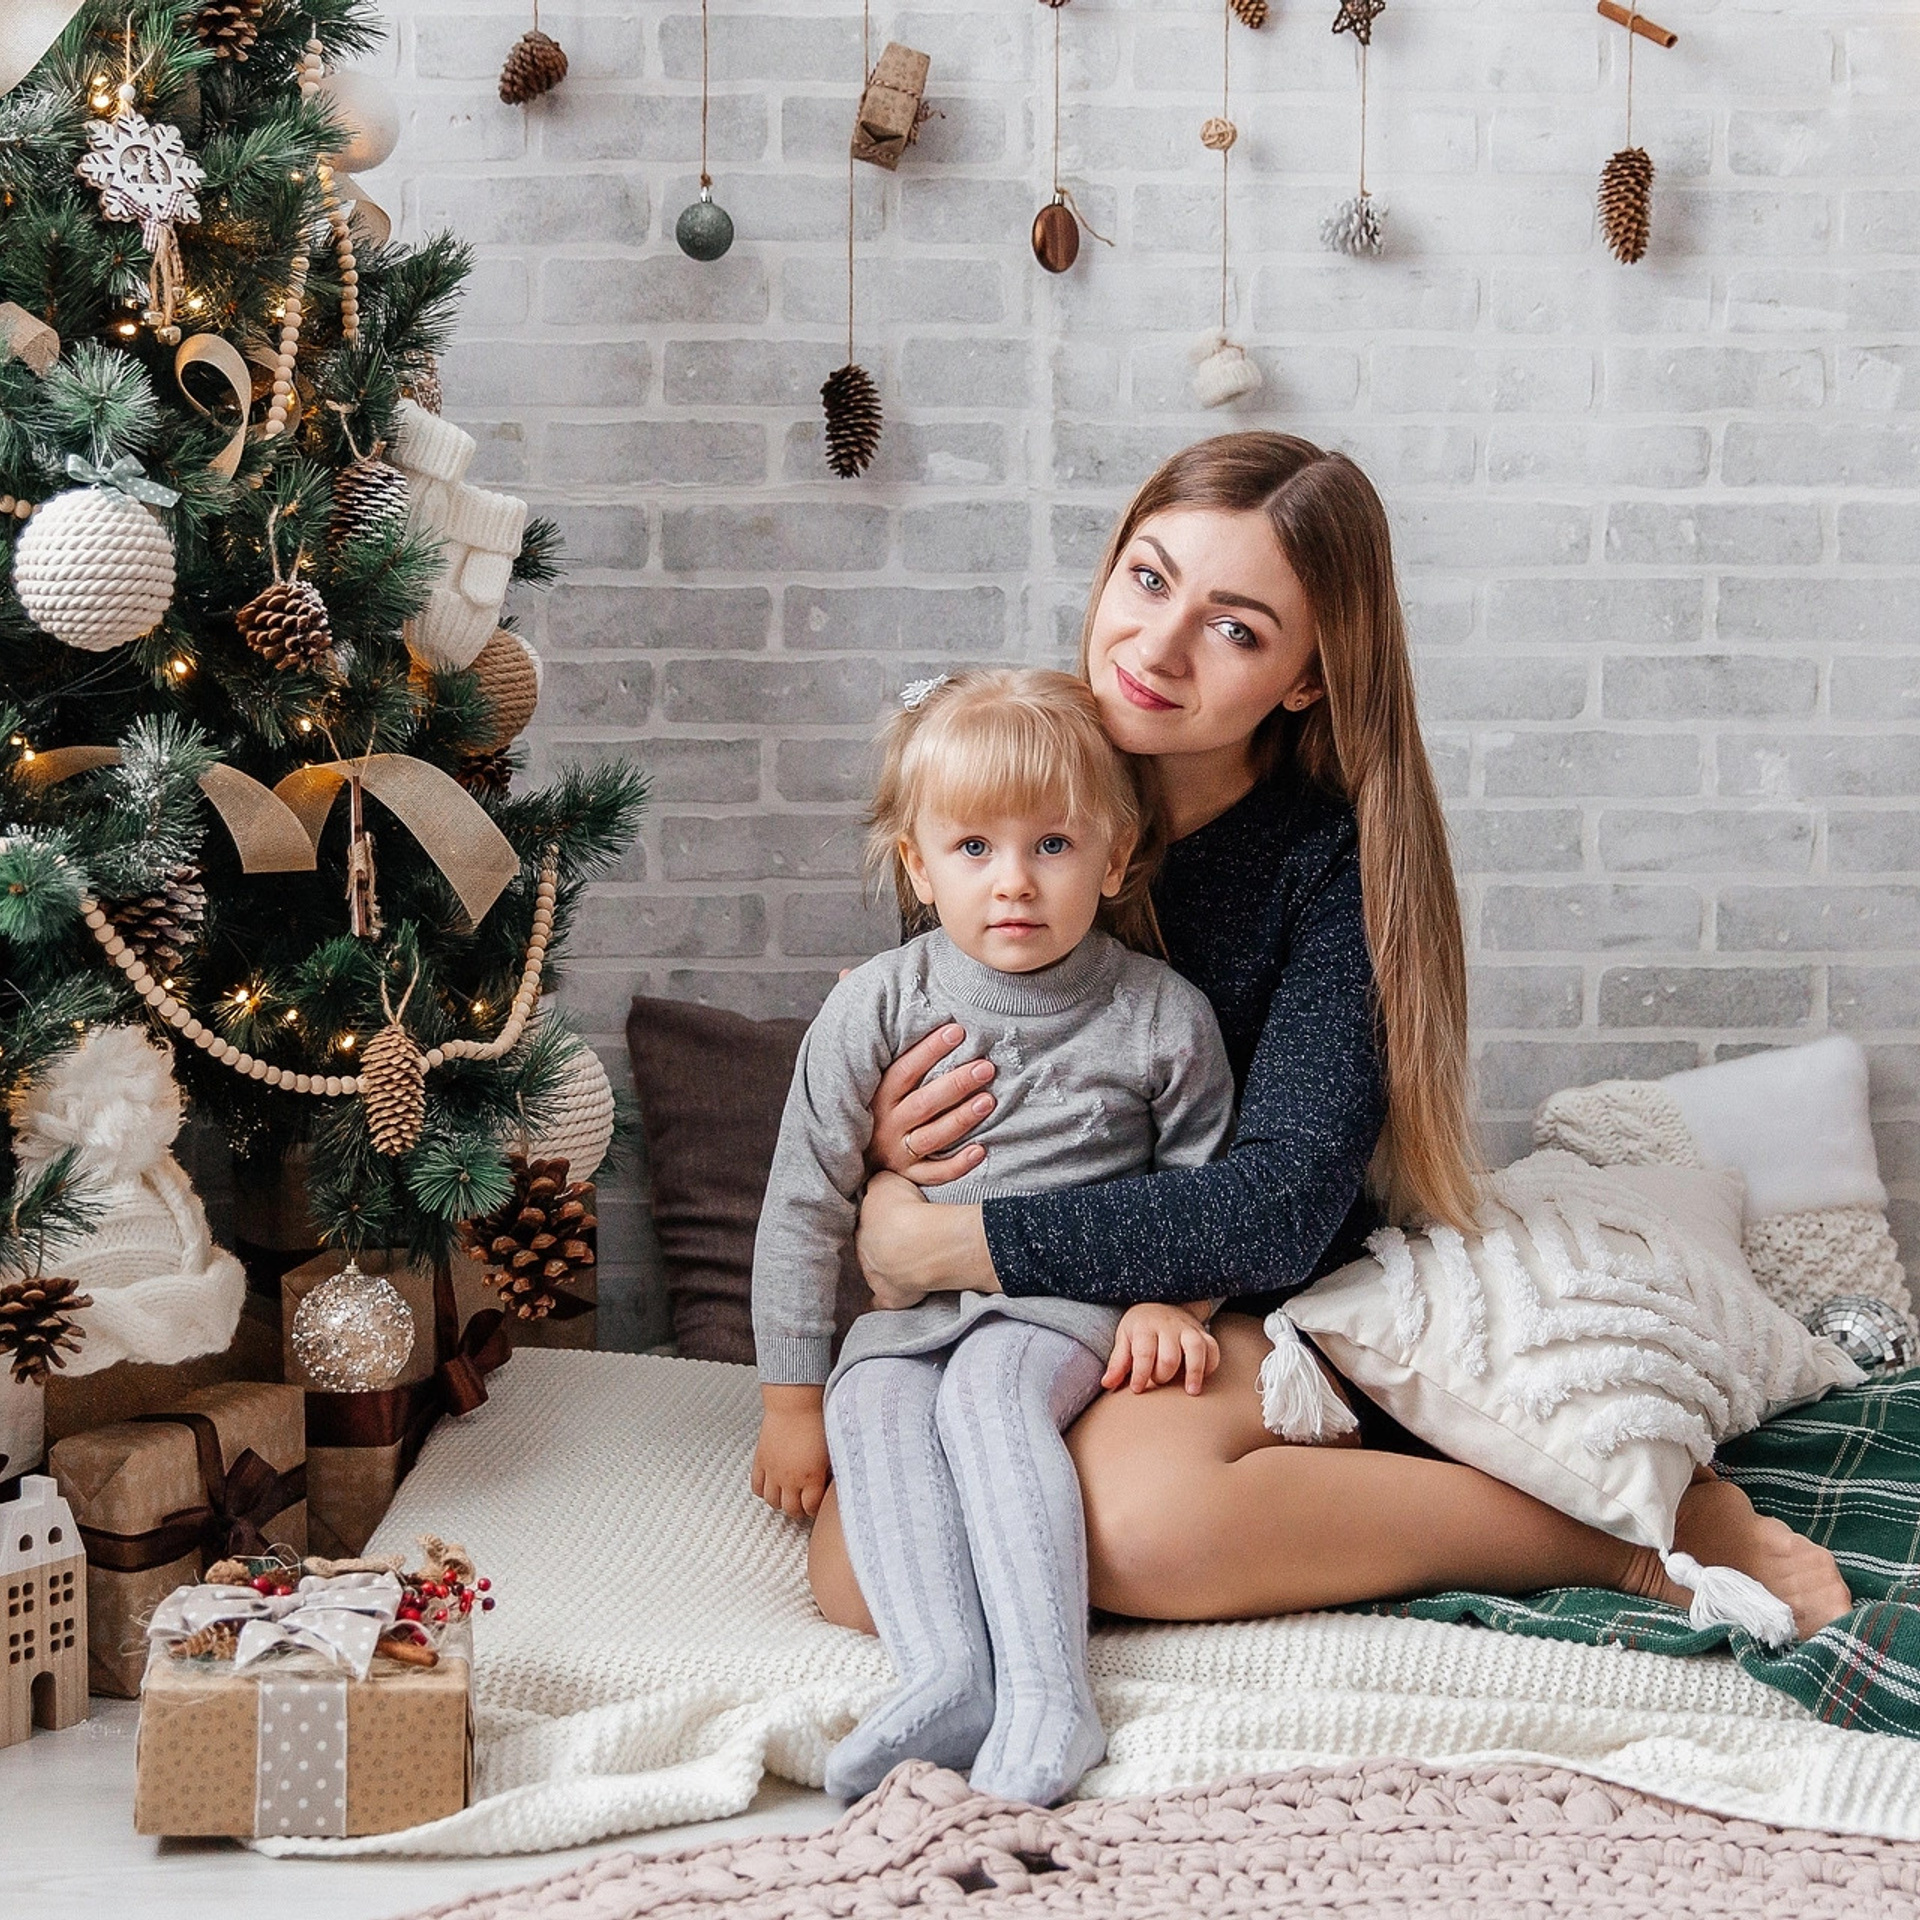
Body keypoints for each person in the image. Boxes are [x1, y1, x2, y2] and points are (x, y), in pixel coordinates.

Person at [808, 431, 1853, 1646]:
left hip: (1253, 1293)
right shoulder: (999, 780)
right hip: (1029, 1298)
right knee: (866, 1572)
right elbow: (917, 1047)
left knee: (1136, 1527)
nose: (1155, 644)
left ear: (1307, 676)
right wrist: (889, 1144)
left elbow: (1278, 1207)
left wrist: (956, 1240)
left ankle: (1619, 1542)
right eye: (1148, 580)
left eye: (1235, 627)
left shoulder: (1329, 868)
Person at [749, 667, 1242, 1807]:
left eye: (1053, 847)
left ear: (1115, 860)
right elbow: (805, 1200)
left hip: (1059, 1306)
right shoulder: (876, 1002)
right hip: (911, 1308)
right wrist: (788, 1402)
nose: (1013, 883)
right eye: (974, 849)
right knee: (874, 1404)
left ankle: (1051, 1696)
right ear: (918, 865)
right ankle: (946, 1676)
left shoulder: (1160, 1013)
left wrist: (1177, 1303)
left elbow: (1207, 1185)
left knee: (986, 1396)